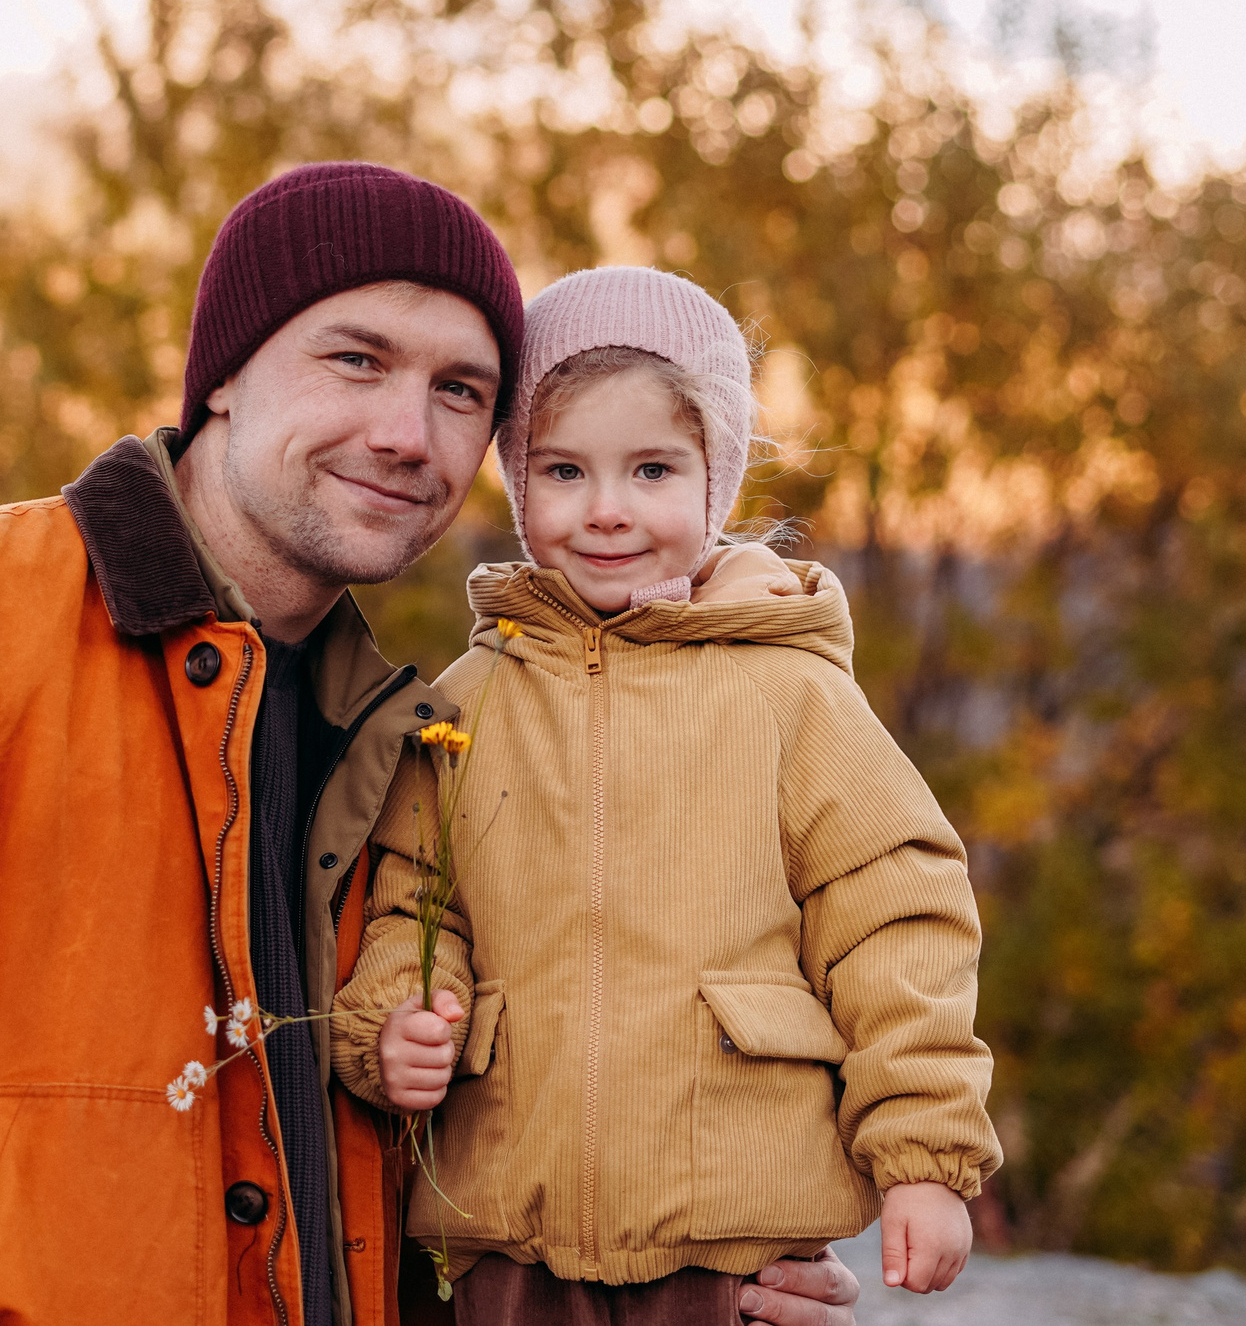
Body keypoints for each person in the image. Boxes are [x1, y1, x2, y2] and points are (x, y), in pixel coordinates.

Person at [0, 167, 869, 1326]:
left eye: (459, 390)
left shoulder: (417, 732)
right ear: (226, 372)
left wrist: (705, 1259)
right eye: (356, 359)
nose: (407, 431)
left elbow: (428, 1118)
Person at [334, 265, 1001, 1324]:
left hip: (729, 1237)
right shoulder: (472, 698)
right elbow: (414, 896)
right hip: (511, 1233)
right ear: (517, 480)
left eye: (651, 469)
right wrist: (393, 1020)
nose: (606, 511)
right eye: (562, 471)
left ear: (714, 483)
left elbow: (896, 913)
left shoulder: (790, 693)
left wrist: (922, 1154)